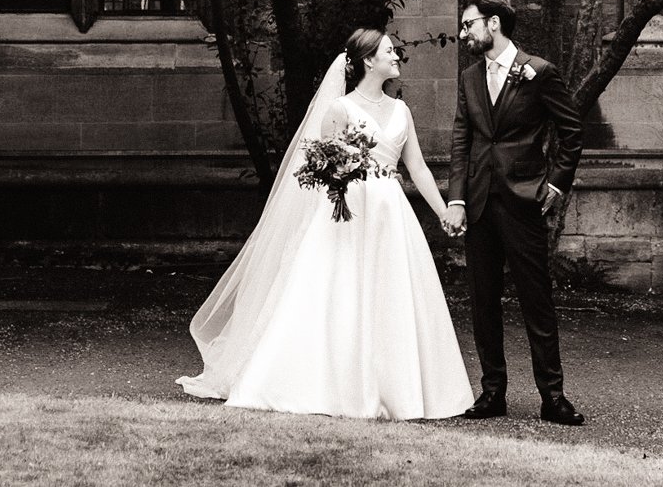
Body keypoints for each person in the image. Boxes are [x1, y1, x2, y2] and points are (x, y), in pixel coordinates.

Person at [177, 27, 473, 420]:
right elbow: (320, 168)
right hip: (347, 215)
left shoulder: (401, 110)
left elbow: (415, 166)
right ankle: (328, 384)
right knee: (339, 296)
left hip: (391, 215)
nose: (396, 56)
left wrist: (442, 212)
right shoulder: (340, 110)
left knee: (392, 295)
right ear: (369, 60)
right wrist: (344, 181)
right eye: (389, 51)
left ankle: (396, 387)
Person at [443, 0, 586, 425]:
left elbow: (572, 131)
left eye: (469, 24)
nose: (464, 32)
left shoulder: (538, 72)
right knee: (483, 301)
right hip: (480, 203)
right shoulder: (469, 76)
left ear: (494, 24)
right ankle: (492, 394)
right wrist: (457, 198)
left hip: (524, 202)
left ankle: (553, 397)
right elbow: (460, 141)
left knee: (535, 300)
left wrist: (557, 185)